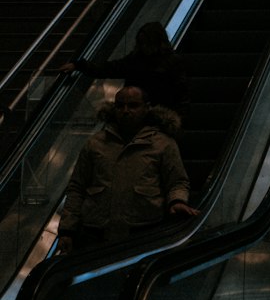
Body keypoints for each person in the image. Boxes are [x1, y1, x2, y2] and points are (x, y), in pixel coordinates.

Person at [57, 85, 196, 252]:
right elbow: (77, 187)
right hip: (95, 233)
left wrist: (177, 200)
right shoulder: (96, 143)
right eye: (120, 105)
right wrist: (67, 230)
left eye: (133, 105)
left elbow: (177, 181)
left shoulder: (162, 143)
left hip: (143, 231)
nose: (126, 110)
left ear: (147, 108)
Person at [64, 21, 188, 122]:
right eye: (141, 43)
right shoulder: (138, 60)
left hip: (150, 114)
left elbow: (180, 92)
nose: (144, 47)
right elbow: (110, 68)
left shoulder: (164, 62)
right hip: (143, 112)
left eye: (146, 43)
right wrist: (79, 65)